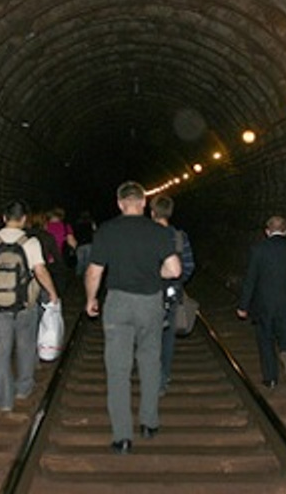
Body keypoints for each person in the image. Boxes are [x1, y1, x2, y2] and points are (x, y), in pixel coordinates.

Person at [85, 181, 181, 455]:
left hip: (118, 302)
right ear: (143, 203)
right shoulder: (158, 231)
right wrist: (154, 273)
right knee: (150, 361)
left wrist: (91, 299)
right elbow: (174, 270)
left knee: (118, 370)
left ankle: (123, 437)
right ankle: (149, 423)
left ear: (119, 203)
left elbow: (94, 271)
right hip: (149, 302)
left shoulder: (107, 231)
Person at [0, 200, 59, 413]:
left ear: (4, 217)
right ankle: (23, 388)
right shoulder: (30, 242)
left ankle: (4, 400)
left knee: (1, 350)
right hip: (26, 304)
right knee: (26, 345)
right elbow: (40, 271)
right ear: (24, 219)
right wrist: (52, 293)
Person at [236, 215, 286, 389]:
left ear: (267, 231)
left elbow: (251, 279)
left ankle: (270, 379)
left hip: (264, 303)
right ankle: (285, 352)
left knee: (266, 339)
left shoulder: (258, 249)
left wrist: (243, 306)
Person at [149, 194, 195, 396]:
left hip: (148, 292)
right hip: (171, 292)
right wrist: (177, 281)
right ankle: (163, 377)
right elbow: (188, 265)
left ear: (152, 212)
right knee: (167, 336)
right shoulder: (179, 236)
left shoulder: (144, 234)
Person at [72, 210, 96, 279]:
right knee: (87, 260)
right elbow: (95, 231)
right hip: (89, 243)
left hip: (80, 244)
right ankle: (86, 275)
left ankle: (78, 276)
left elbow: (75, 233)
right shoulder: (91, 222)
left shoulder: (77, 223)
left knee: (80, 261)